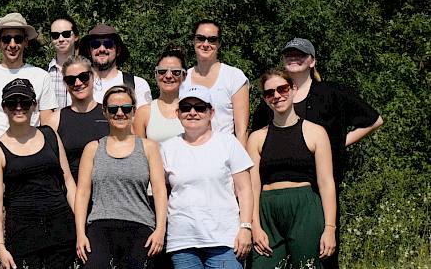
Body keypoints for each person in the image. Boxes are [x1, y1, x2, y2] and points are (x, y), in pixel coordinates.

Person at [250, 38, 383, 268]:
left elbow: (375, 120)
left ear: (313, 61)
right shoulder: (268, 105)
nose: (277, 95)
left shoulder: (331, 93)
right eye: (289, 54)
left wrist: (336, 146)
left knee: (320, 258)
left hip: (314, 194)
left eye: (300, 54)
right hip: (271, 201)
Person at [0, 13, 58, 268]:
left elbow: (48, 124)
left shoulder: (40, 76)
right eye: (6, 38)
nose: (12, 44)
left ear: (26, 42)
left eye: (18, 38)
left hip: (29, 168)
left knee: (28, 240)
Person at [247, 69, 337, 269]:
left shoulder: (316, 133)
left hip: (305, 208)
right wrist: (254, 225)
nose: (277, 96)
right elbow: (251, 187)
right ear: (264, 98)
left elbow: (326, 183)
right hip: (266, 211)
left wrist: (330, 228)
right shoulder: (256, 138)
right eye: (270, 93)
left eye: (282, 89)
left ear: (294, 89)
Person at [0, 79, 77, 269]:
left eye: (25, 102)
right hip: (23, 237)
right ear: (4, 107)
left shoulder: (51, 135)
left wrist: (82, 228)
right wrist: (0, 247)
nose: (19, 107)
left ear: (34, 105)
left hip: (62, 230)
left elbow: (68, 182)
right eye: (12, 103)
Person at [160, 86, 253, 269]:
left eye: (200, 107)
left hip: (224, 238)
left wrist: (246, 227)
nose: (192, 112)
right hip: (182, 241)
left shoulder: (228, 142)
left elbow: (245, 190)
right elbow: (160, 191)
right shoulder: (167, 148)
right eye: (186, 108)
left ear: (211, 112)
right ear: (178, 113)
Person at [74, 85, 167, 268]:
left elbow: (159, 190)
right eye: (113, 109)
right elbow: (82, 193)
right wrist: (80, 233)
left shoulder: (149, 147)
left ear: (133, 110)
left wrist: (160, 230)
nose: (119, 113)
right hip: (100, 225)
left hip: (140, 225)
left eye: (125, 108)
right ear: (105, 112)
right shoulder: (92, 149)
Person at [181, 20, 250, 145]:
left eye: (212, 40)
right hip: (189, 153)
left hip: (225, 154)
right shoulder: (183, 78)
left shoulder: (234, 77)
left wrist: (241, 161)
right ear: (193, 41)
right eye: (200, 38)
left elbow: (242, 131)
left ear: (219, 44)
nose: (206, 44)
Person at [77, 23, 152, 114]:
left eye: (108, 44)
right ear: (89, 51)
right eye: (95, 44)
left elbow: (142, 122)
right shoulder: (77, 84)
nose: (102, 49)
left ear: (118, 50)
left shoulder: (137, 84)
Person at [56, 55, 109, 181]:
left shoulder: (110, 114)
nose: (78, 83)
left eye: (83, 77)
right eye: (71, 80)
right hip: (70, 194)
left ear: (93, 76)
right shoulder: (55, 120)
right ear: (65, 83)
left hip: (107, 193)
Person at [133, 46, 187, 142]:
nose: (168, 76)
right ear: (156, 75)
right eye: (162, 71)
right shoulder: (143, 113)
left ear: (184, 76)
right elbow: (139, 153)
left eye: (176, 72)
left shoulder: (194, 110)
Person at [47, 16, 79, 108]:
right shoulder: (43, 75)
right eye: (55, 35)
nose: (60, 39)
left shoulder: (90, 73)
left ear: (76, 36)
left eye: (66, 34)